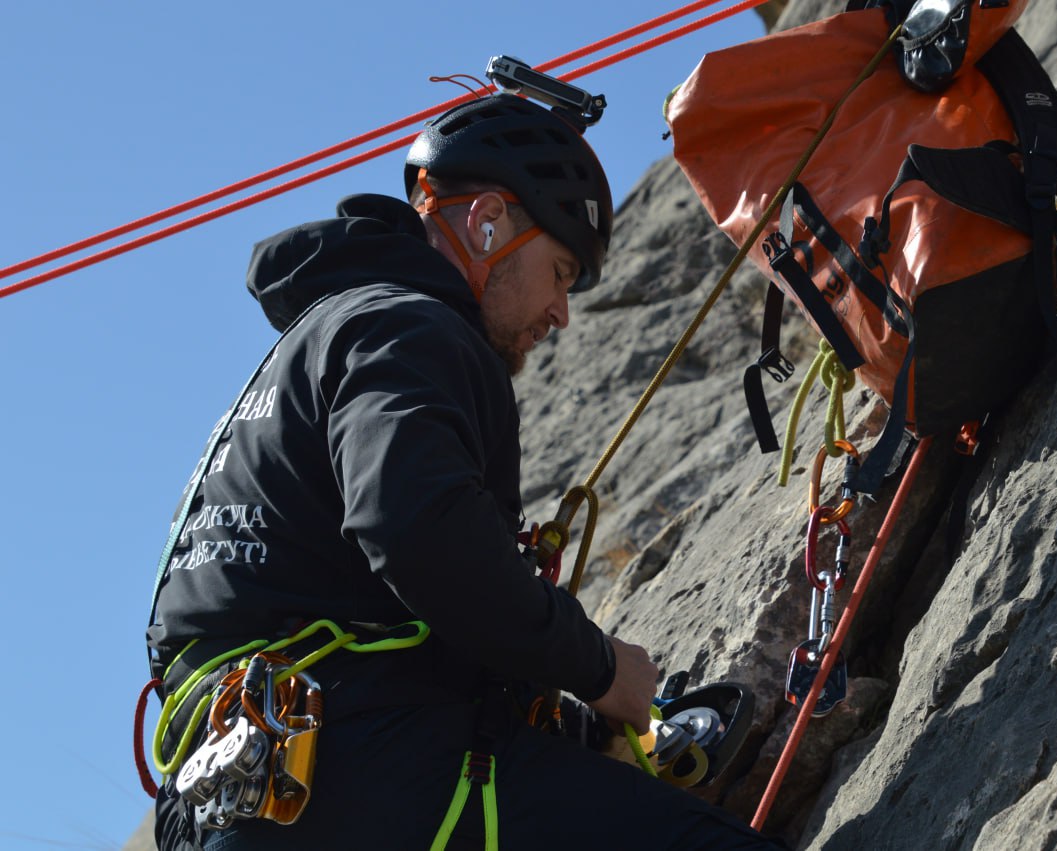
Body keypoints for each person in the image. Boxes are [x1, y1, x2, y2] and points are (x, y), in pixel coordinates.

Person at [146, 92, 783, 850]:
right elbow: (416, 529)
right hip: (357, 765)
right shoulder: (411, 327)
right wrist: (603, 668)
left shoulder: (316, 345)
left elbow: (395, 605)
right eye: (561, 269)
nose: (561, 313)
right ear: (487, 223)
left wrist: (575, 730)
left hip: (241, 787)